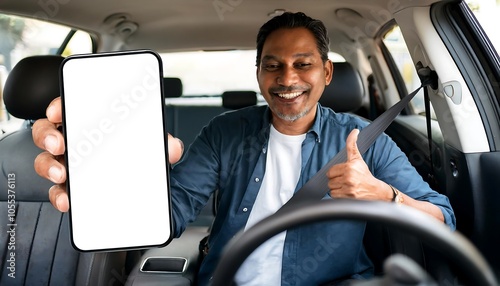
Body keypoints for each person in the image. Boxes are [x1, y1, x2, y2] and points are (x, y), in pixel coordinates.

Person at [32, 12, 455, 286]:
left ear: (327, 72)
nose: (287, 78)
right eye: (272, 64)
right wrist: (120, 178)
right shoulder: (225, 133)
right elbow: (174, 211)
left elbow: (442, 219)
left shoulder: (365, 140)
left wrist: (384, 195)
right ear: (258, 73)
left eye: (303, 64)